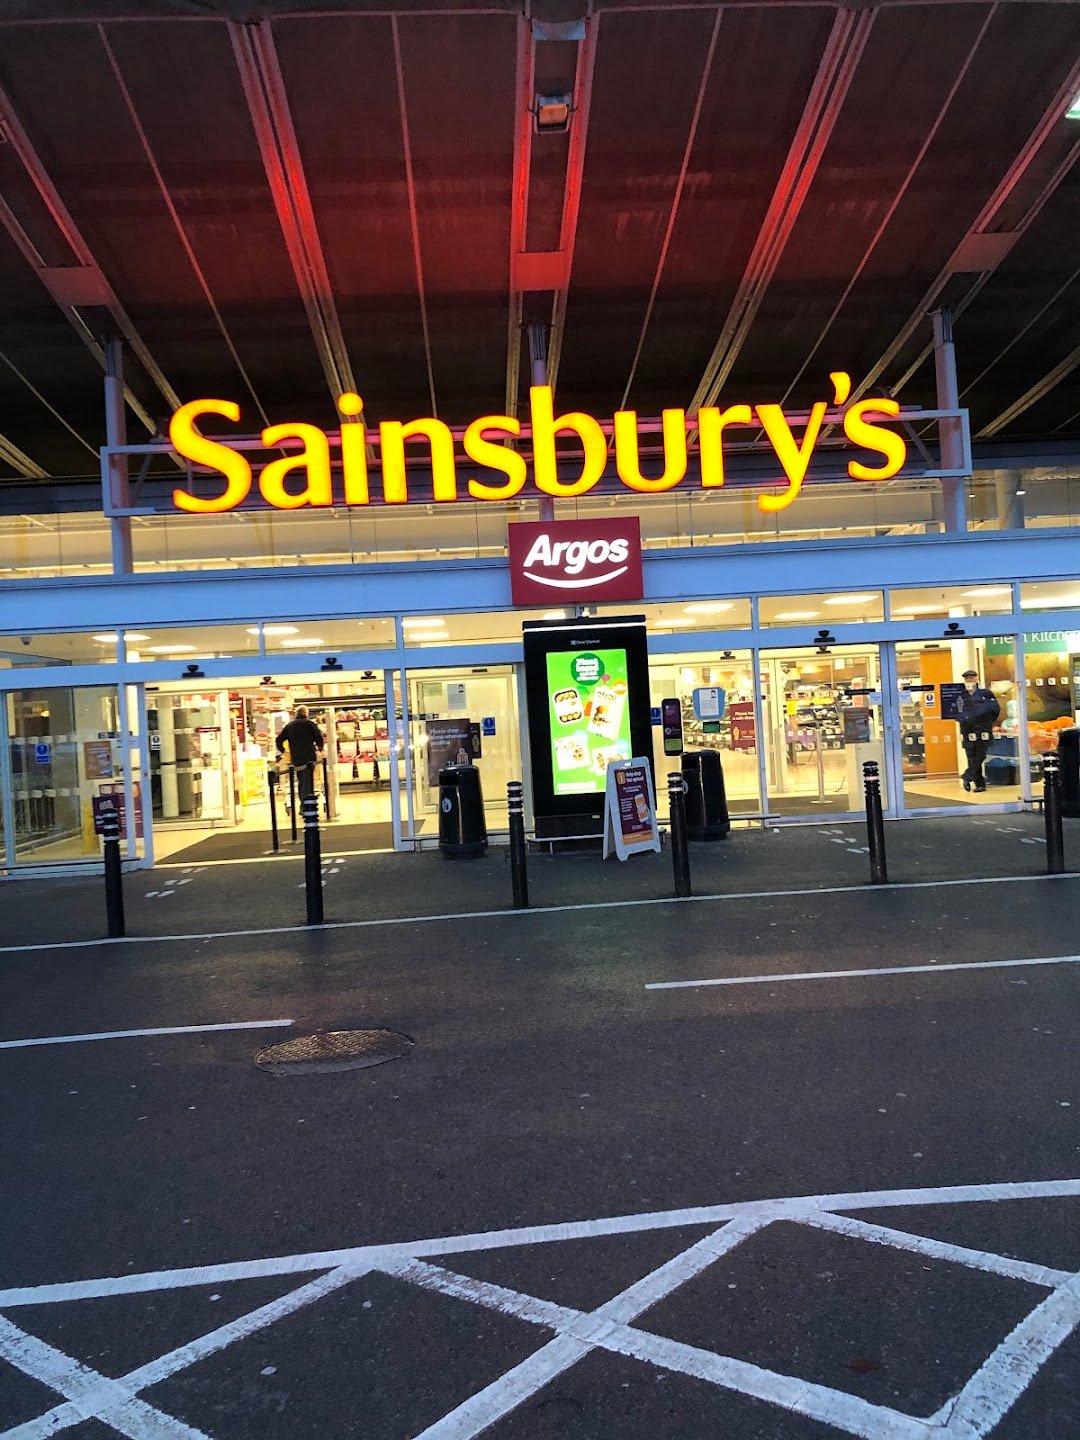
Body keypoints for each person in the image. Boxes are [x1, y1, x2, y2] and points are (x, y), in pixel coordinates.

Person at [954, 669, 1000, 793]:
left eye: (971, 677)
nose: (969, 680)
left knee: (981, 755)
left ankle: (967, 776)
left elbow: (995, 709)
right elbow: (954, 712)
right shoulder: (960, 695)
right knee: (972, 757)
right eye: (967, 678)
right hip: (967, 731)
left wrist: (986, 721)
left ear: (976, 678)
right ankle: (979, 784)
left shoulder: (985, 693)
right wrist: (963, 720)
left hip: (983, 730)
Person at [276, 705, 325, 799]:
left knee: (301, 779)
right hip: (310, 756)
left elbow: (279, 740)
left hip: (296, 757)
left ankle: (304, 801)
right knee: (308, 779)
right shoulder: (310, 724)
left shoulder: (290, 725)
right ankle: (308, 800)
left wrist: (284, 751)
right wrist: (320, 748)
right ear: (305, 714)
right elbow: (319, 738)